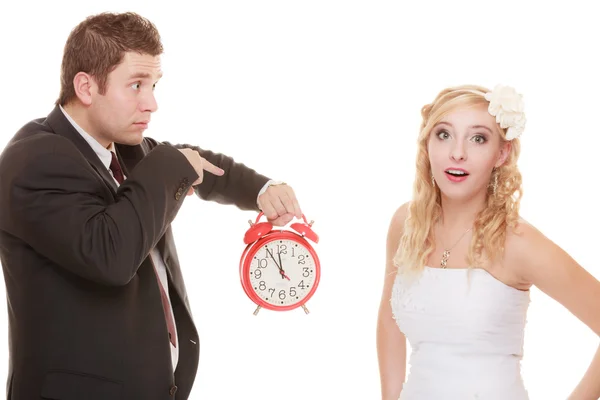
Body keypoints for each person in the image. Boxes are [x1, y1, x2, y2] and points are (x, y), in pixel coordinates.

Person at [0, 12, 302, 400]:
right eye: (137, 85)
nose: (152, 103)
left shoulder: (122, 149)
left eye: (155, 85)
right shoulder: (34, 161)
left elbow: (198, 164)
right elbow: (110, 254)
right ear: (86, 87)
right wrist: (169, 170)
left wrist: (262, 189)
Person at [376, 84, 600, 399]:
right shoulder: (406, 223)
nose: (458, 152)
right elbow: (389, 322)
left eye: (477, 138)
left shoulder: (517, 242)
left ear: (501, 153)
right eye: (444, 134)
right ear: (427, 144)